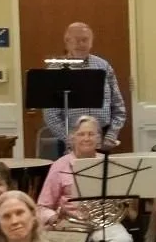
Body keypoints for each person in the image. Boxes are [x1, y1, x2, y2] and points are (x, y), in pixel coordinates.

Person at [37, 115, 136, 242]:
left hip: (104, 222)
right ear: (72, 138)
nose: (86, 138)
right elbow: (41, 207)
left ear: (99, 138)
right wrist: (56, 215)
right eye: (81, 134)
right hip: (71, 223)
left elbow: (122, 200)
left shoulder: (110, 164)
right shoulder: (60, 166)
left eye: (91, 134)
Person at [37, 23, 126, 159]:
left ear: (91, 42)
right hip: (70, 141)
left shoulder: (103, 66)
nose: (81, 44)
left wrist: (111, 135)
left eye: (85, 40)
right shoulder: (55, 70)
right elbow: (50, 115)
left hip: (102, 139)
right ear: (67, 42)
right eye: (76, 40)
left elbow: (118, 106)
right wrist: (71, 140)